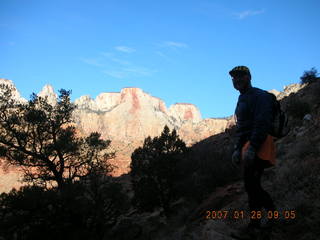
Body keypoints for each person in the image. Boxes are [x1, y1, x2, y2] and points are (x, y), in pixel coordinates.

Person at [230, 66, 276, 238]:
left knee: (252, 185)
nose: (236, 80)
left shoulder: (259, 96)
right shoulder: (242, 98)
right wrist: (237, 149)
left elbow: (262, 123)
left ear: (249, 77)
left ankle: (270, 215)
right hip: (249, 146)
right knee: (251, 185)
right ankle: (255, 223)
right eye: (234, 78)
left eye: (240, 76)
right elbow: (242, 128)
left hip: (260, 144)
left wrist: (253, 147)